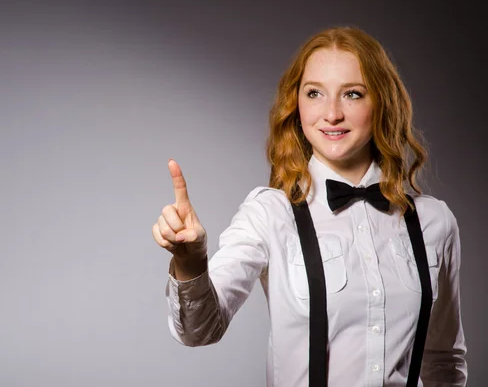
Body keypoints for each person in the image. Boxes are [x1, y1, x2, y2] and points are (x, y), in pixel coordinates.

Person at [151, 26, 467, 387]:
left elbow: (443, 360)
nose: (331, 114)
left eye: (352, 94)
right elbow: (200, 330)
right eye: (314, 93)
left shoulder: (434, 221)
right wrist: (190, 261)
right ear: (296, 105)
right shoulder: (270, 213)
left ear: (382, 102)